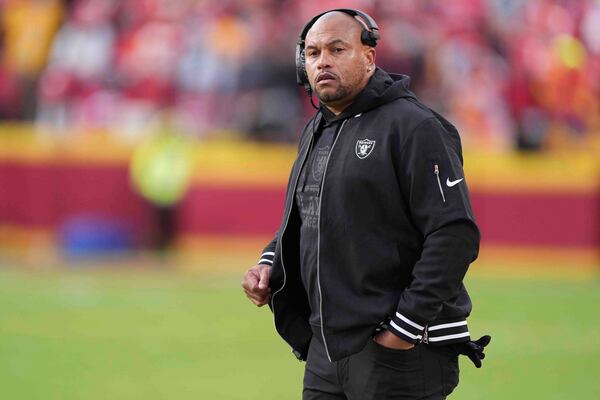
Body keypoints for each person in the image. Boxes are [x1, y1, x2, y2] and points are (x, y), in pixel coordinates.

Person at [242, 9, 490, 400]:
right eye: (312, 53)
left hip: (398, 351)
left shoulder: (415, 126)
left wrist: (402, 330)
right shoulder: (316, 128)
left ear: (369, 57)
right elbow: (307, 216)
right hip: (326, 349)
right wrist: (270, 263)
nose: (322, 60)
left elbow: (454, 235)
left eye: (337, 49)